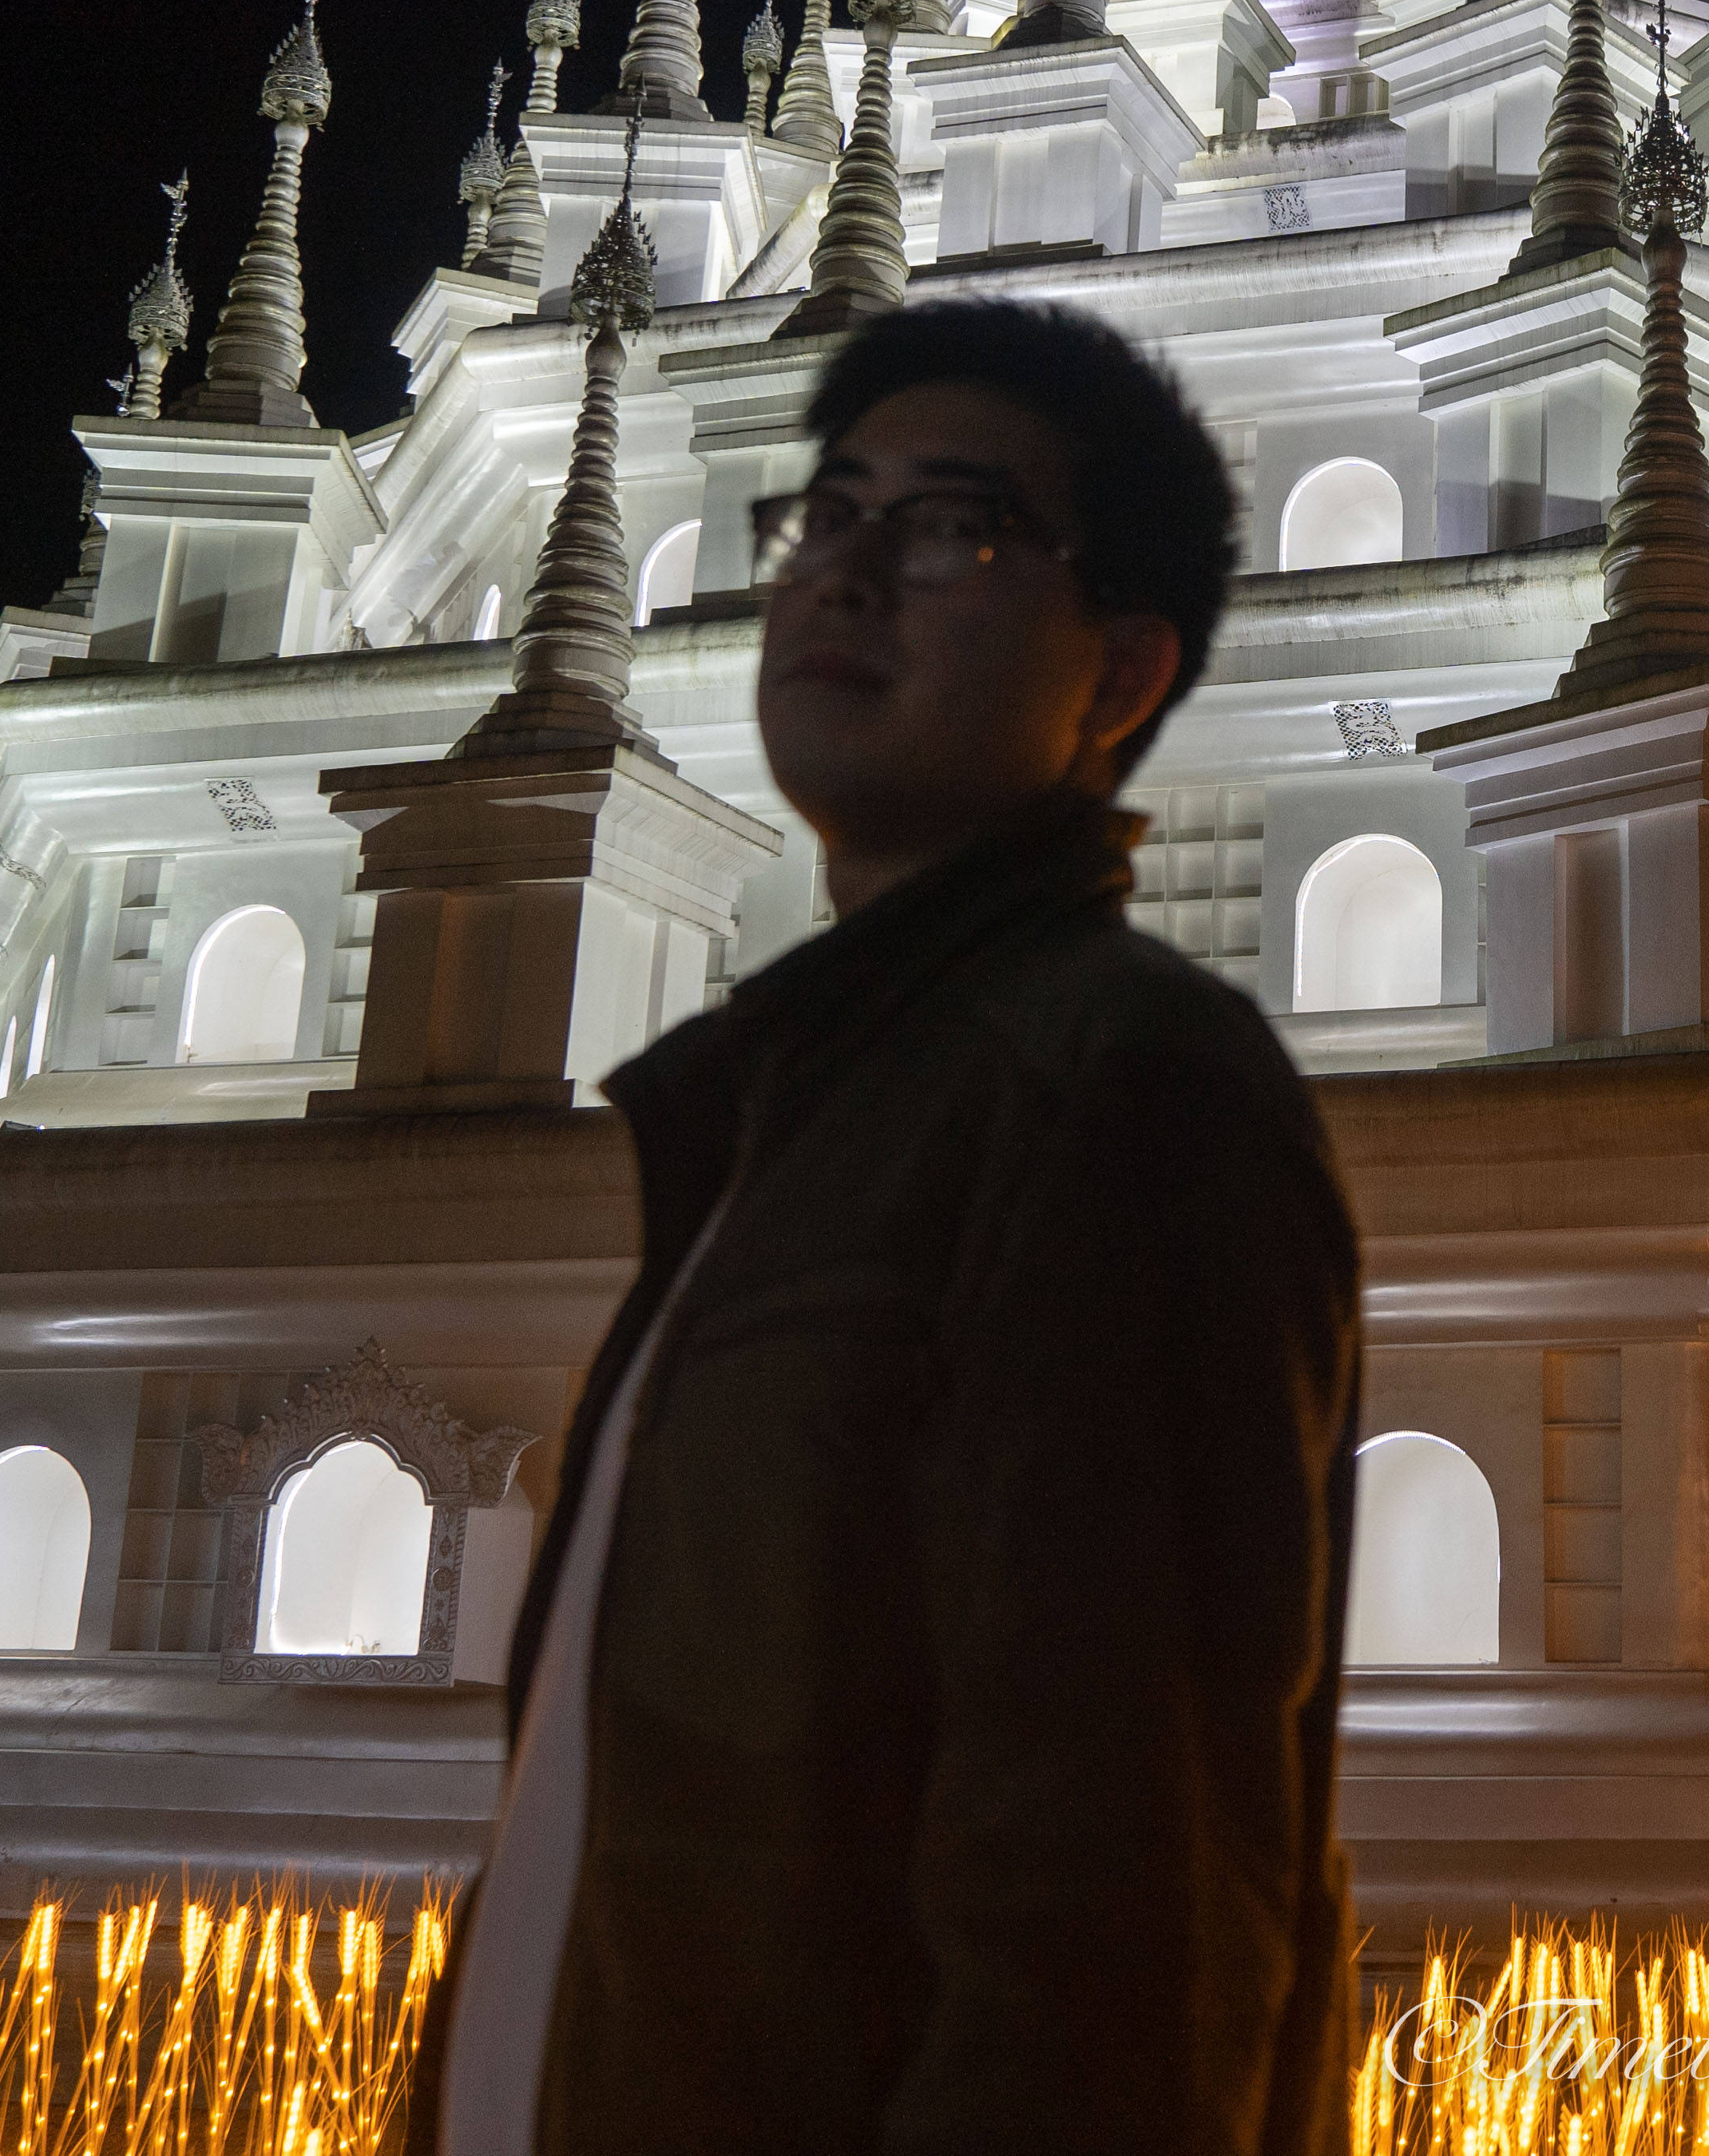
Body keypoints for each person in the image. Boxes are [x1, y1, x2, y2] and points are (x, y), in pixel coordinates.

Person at [439, 299, 1359, 2156]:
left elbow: (1110, 1923)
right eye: (829, 511)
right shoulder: (787, 1128)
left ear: (1120, 670)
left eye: (952, 524)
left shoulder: (1113, 1088)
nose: (849, 568)